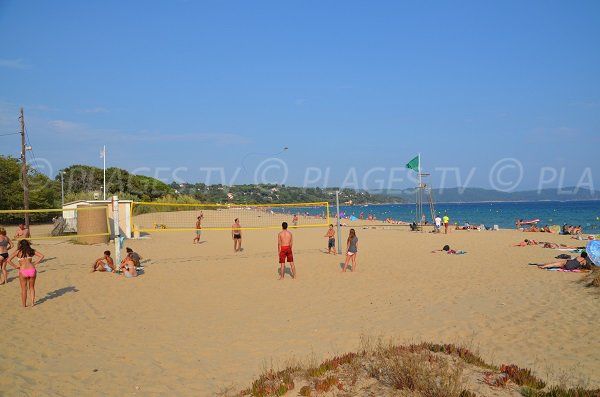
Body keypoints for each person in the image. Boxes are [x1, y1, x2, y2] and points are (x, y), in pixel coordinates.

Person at [7, 240, 44, 307]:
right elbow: (41, 256)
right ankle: (32, 303)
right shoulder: (31, 250)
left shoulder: (18, 251)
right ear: (28, 244)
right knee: (32, 287)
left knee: (24, 289)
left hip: (23, 270)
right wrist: (34, 263)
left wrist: (15, 266)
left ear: (20, 245)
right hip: (32, 269)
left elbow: (8, 260)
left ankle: (24, 305)